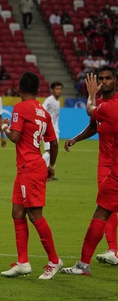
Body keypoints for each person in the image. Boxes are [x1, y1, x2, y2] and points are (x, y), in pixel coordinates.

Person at [0, 71, 63, 279]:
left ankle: (54, 261)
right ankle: (23, 263)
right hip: (30, 167)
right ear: (38, 91)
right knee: (17, 212)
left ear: (19, 89)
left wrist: (6, 128)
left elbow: (15, 137)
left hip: (29, 168)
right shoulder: (43, 112)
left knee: (35, 216)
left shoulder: (20, 107)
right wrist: (51, 165)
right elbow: (53, 143)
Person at [60, 69, 118, 276]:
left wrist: (91, 93)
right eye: (100, 79)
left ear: (115, 81)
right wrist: (76, 138)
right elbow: (94, 124)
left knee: (101, 212)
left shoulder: (109, 107)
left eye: (108, 78)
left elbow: (91, 110)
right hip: (108, 166)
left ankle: (84, 265)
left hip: (116, 173)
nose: (103, 82)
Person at [41, 82, 63, 169]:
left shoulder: (57, 102)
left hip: (55, 129)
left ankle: (47, 170)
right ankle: (37, 164)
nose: (59, 91)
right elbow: (42, 110)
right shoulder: (49, 100)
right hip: (48, 129)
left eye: (60, 89)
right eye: (57, 89)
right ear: (53, 90)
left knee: (52, 151)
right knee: (50, 151)